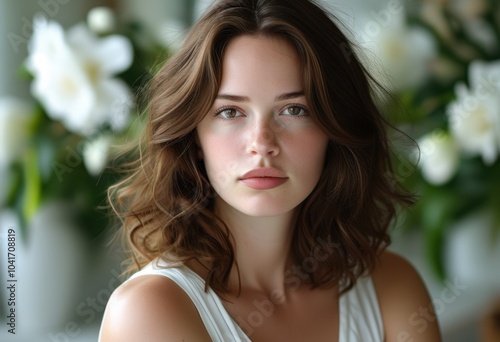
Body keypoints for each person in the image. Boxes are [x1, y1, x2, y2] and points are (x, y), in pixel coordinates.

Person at [99, 0, 441, 341]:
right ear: (194, 136)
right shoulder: (149, 311)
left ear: (334, 130)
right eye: (230, 112)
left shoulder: (392, 287)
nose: (261, 143)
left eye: (294, 109)